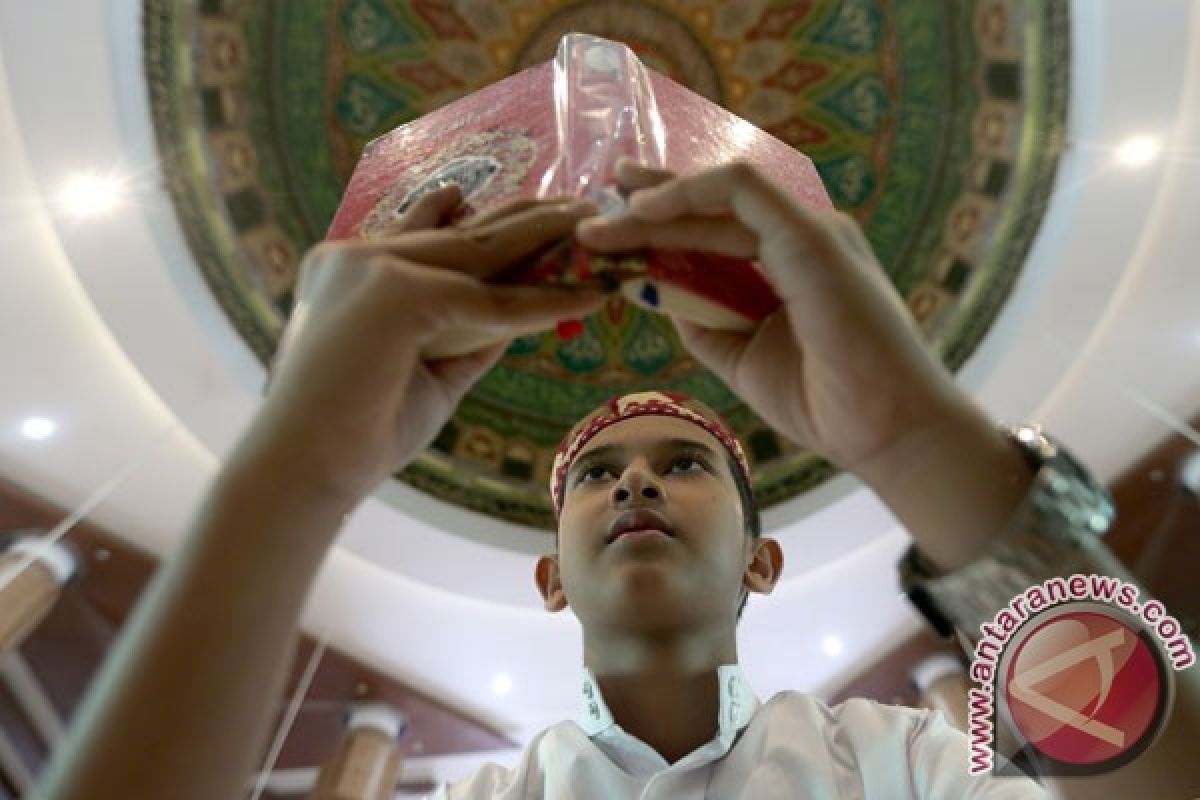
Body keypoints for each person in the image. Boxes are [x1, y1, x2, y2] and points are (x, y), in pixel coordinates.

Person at [34, 159, 1054, 799]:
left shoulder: (904, 763)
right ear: (550, 575)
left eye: (685, 462)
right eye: (598, 474)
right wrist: (294, 464)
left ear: (763, 558)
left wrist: (918, 435)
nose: (635, 485)